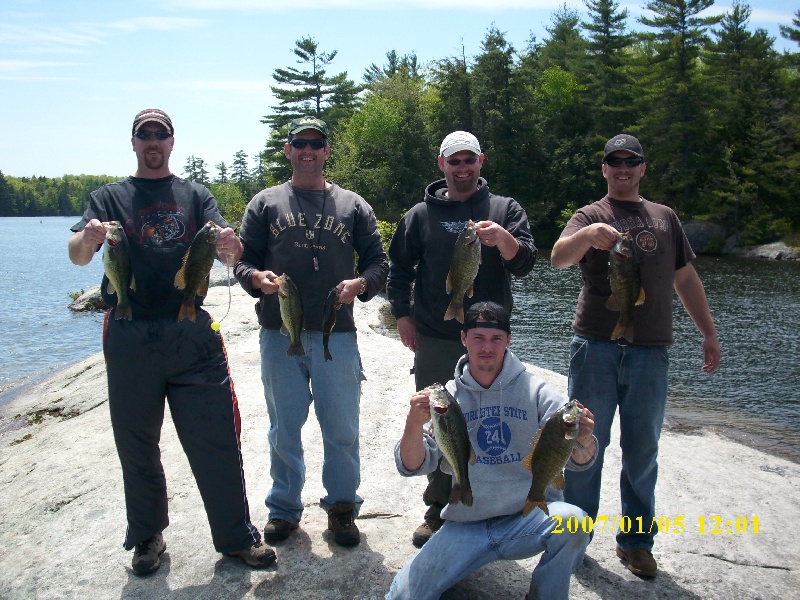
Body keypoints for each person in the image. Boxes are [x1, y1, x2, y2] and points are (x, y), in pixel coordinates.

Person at [67, 108, 275, 576]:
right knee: (136, 443)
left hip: (191, 333)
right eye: (145, 134)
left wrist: (229, 246)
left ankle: (237, 537)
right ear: (134, 141)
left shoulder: (196, 196)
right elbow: (78, 255)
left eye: (161, 133)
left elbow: (228, 250)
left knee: (216, 436)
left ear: (172, 141)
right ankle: (147, 538)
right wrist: (89, 237)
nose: (153, 141)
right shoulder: (107, 198)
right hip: (129, 329)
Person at [551, 133, 721, 578]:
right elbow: (558, 258)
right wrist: (587, 234)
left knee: (643, 450)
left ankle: (636, 541)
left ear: (643, 168)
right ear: (604, 169)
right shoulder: (590, 215)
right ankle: (575, 535)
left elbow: (686, 279)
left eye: (632, 161)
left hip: (651, 352)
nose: (623, 168)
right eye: (615, 162)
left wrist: (709, 333)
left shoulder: (665, 218)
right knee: (585, 444)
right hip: (595, 348)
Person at [233, 116, 388, 547]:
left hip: (337, 336)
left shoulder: (353, 205)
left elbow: (379, 263)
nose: (307, 150)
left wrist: (361, 286)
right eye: (299, 143)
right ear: (287, 150)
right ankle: (284, 508)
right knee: (285, 427)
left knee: (341, 428)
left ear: (326, 152)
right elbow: (241, 263)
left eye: (315, 144)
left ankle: (341, 507)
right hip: (279, 334)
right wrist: (256, 279)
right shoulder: (264, 203)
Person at [386, 302, 596, 600]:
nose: (487, 347)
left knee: (575, 522)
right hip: (466, 526)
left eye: (496, 338)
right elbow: (411, 465)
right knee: (401, 596)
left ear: (508, 340)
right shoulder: (448, 398)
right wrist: (412, 424)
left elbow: (579, 460)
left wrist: (584, 440)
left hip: (525, 519)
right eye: (478, 338)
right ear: (464, 339)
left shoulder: (537, 391)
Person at [387, 130, 537, 546]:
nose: (462, 168)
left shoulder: (505, 209)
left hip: (489, 338)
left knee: (495, 419)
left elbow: (526, 262)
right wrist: (403, 315)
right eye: (455, 161)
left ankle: (495, 501)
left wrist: (504, 240)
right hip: (435, 336)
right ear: (442, 165)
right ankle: (438, 507)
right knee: (441, 422)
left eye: (469, 160)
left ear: (481, 162)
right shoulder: (419, 215)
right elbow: (399, 269)